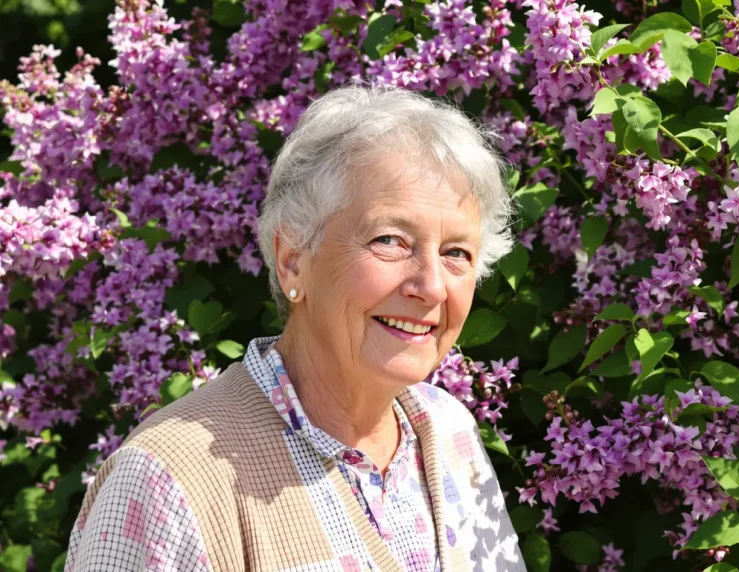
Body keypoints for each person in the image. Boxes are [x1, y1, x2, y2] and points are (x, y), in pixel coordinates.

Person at [65, 85, 525, 571]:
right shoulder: (167, 479)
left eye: (457, 253)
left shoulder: (449, 429)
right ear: (292, 261)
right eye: (389, 240)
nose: (431, 286)